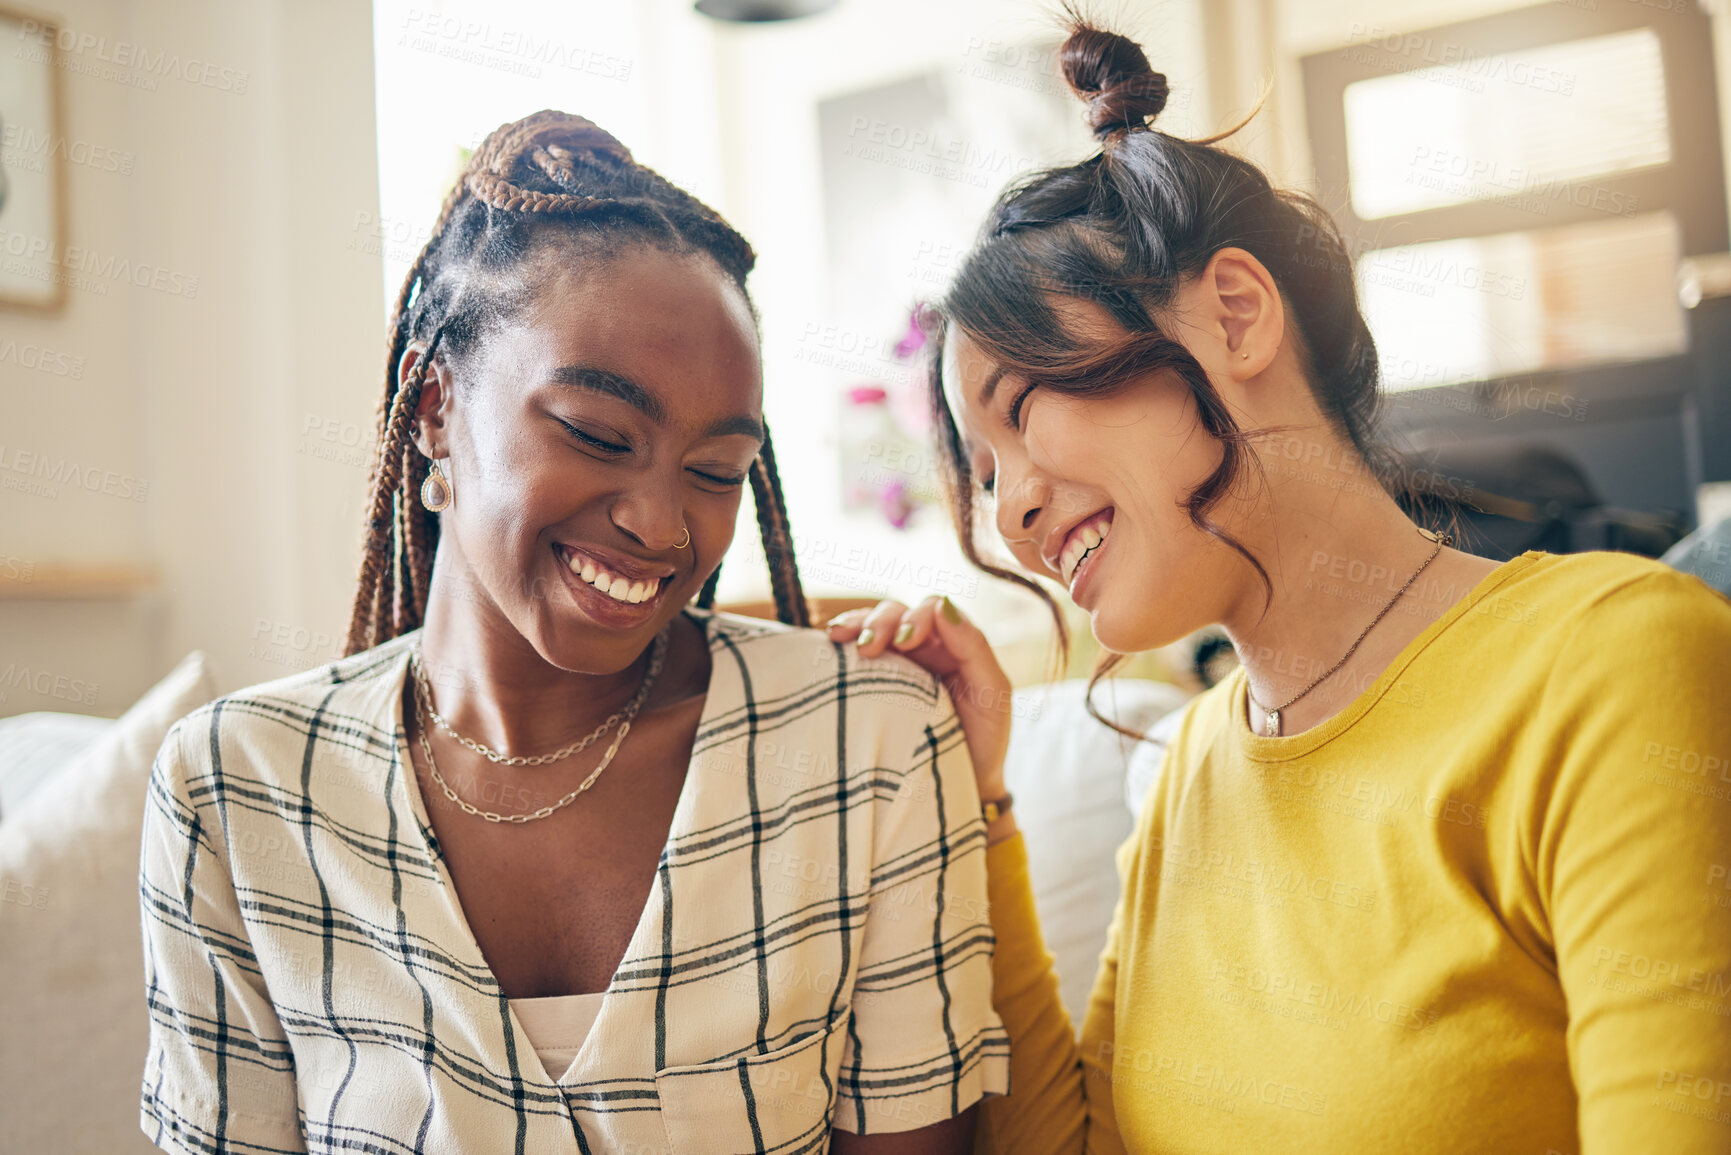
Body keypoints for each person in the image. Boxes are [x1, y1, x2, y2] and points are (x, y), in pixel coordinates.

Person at [827, 17, 1731, 1154]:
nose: (1007, 514)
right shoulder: (1190, 772)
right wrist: (980, 806)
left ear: (1235, 314)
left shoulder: (1616, 665)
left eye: (1020, 406)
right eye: (986, 472)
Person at [138, 111, 1006, 1155]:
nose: (660, 522)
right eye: (598, 435)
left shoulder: (868, 746)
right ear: (434, 405)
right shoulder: (233, 790)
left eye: (716, 470)